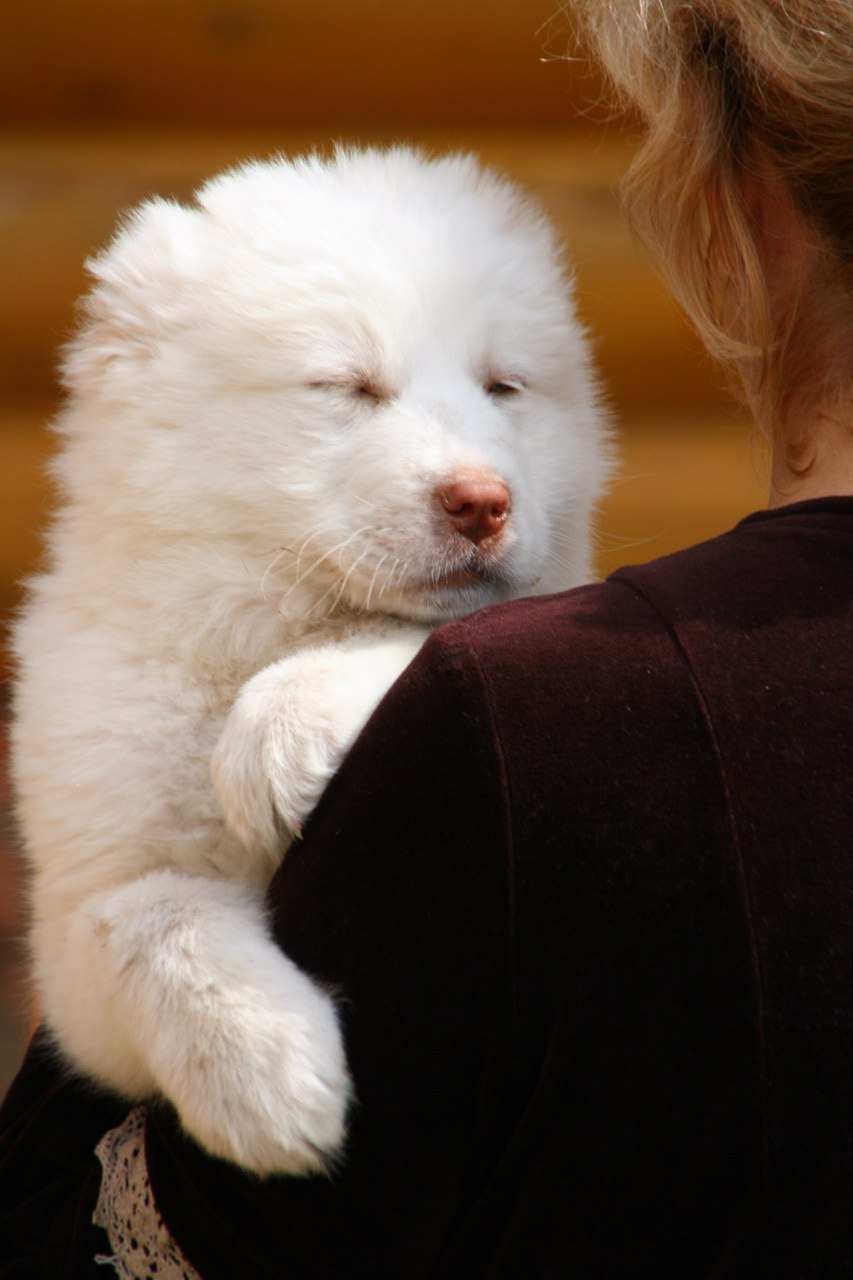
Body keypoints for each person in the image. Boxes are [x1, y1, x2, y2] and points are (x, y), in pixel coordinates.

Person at [2, 1, 852, 1275]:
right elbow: (103, 914)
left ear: (743, 204)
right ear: (137, 385)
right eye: (346, 390)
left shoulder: (538, 711)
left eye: (508, 389)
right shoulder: (117, 657)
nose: (475, 466)